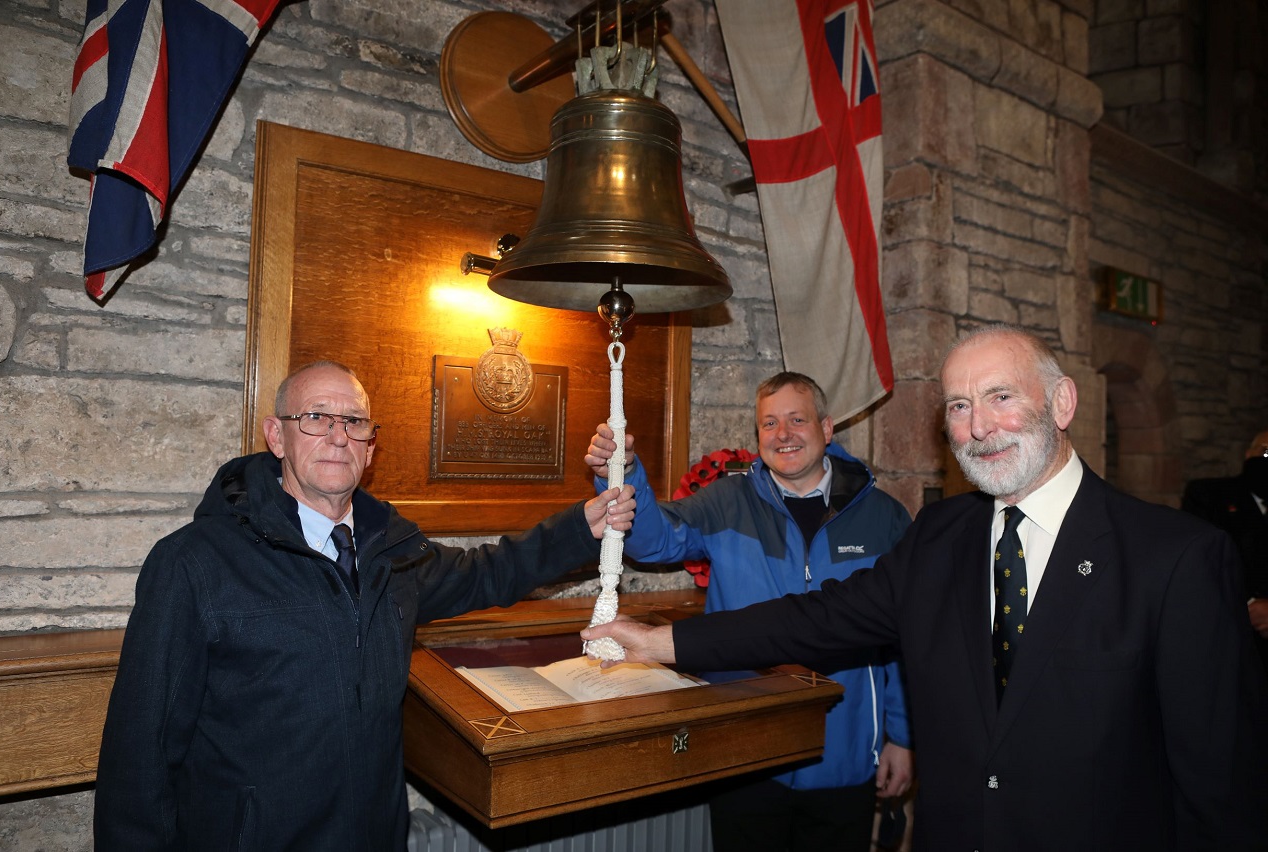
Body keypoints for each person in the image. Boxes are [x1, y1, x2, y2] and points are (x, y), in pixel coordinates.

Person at [583, 325, 1268, 851]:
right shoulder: (942, 537)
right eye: (961, 407)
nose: (979, 426)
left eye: (1002, 397)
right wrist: (662, 643)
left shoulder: (1177, 559)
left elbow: (1222, 789)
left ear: (1061, 402)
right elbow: (816, 620)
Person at [94, 361, 636, 851]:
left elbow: (487, 573)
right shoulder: (193, 565)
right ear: (275, 437)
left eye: (354, 423)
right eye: (315, 417)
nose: (336, 436)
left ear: (371, 448)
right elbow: (139, 757)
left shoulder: (392, 553)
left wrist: (579, 529)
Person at [585, 372, 913, 852]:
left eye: (797, 420)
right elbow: (655, 540)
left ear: (827, 428)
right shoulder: (728, 500)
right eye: (769, 424)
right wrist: (624, 471)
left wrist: (903, 737)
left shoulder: (884, 517)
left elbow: (907, 636)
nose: (783, 434)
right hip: (746, 749)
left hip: (844, 752)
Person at [1182, 429, 1268, 678]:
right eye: (1264, 450)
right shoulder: (1209, 495)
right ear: (1248, 453)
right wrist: (1249, 605)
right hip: (1225, 639)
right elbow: (1200, 559)